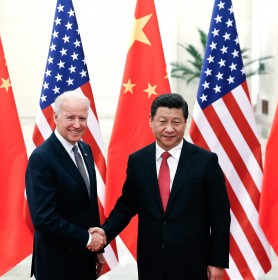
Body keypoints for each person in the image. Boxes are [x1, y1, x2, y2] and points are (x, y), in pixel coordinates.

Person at [91, 93, 230, 280]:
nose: (169, 129)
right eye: (162, 121)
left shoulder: (206, 162)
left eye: (176, 122)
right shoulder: (138, 160)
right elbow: (127, 206)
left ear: (185, 122)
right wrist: (105, 232)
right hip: (151, 262)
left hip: (193, 262)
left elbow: (220, 216)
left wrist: (218, 262)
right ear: (151, 121)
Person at [26, 91, 106, 280]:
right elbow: (44, 218)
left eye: (82, 118)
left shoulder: (85, 149)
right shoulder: (42, 158)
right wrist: (88, 240)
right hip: (56, 263)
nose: (77, 124)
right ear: (55, 117)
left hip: (85, 258)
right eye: (70, 117)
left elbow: (88, 203)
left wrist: (97, 250)